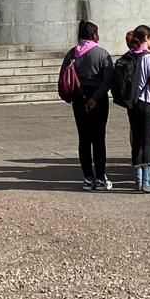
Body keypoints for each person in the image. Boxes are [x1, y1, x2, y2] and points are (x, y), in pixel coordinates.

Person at [59, 20, 114, 191]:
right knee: (99, 138)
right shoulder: (102, 54)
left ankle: (88, 177)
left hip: (79, 99)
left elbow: (63, 76)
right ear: (94, 35)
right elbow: (108, 81)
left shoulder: (72, 54)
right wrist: (95, 98)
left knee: (84, 138)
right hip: (99, 99)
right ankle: (100, 177)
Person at [128, 25, 150, 193]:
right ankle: (149, 181)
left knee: (136, 141)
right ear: (146, 38)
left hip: (132, 103)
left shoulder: (130, 55)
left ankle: (139, 180)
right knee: (147, 141)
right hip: (147, 102)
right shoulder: (149, 57)